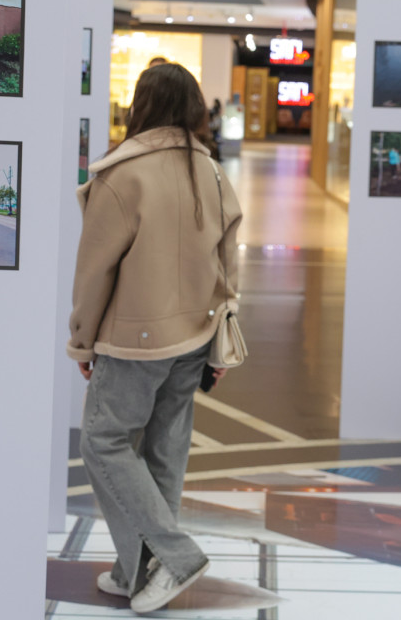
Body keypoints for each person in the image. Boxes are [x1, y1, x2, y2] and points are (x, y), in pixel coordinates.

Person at [68, 63, 242, 614]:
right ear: (193, 107)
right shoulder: (211, 171)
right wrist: (220, 324)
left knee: (104, 441)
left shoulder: (123, 175)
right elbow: (228, 261)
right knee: (164, 453)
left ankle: (175, 555)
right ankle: (134, 571)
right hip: (195, 333)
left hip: (133, 340)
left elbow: (94, 272)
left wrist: (82, 341)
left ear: (140, 105)